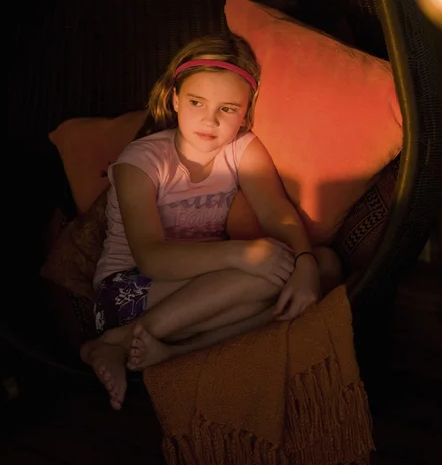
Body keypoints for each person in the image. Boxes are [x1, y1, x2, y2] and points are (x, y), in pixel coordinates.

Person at [81, 32, 342, 410]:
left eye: (228, 109)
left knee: (324, 266)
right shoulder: (142, 161)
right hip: (130, 292)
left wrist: (304, 264)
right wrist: (243, 256)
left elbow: (275, 211)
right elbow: (152, 258)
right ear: (174, 98)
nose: (210, 119)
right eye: (196, 102)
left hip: (210, 284)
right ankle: (122, 338)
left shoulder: (241, 148)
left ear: (246, 111)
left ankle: (164, 351)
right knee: (270, 274)